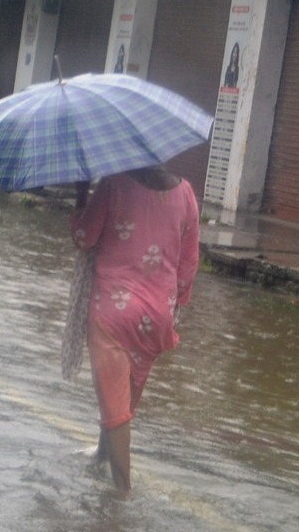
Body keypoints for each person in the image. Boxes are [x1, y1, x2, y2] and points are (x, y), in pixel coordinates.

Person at [70, 165, 200, 496]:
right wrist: (175, 306)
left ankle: (121, 492)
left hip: (113, 310)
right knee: (124, 399)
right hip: (156, 314)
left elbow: (85, 237)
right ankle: (102, 454)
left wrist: (80, 195)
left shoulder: (113, 184)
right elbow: (188, 266)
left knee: (115, 405)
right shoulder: (185, 193)